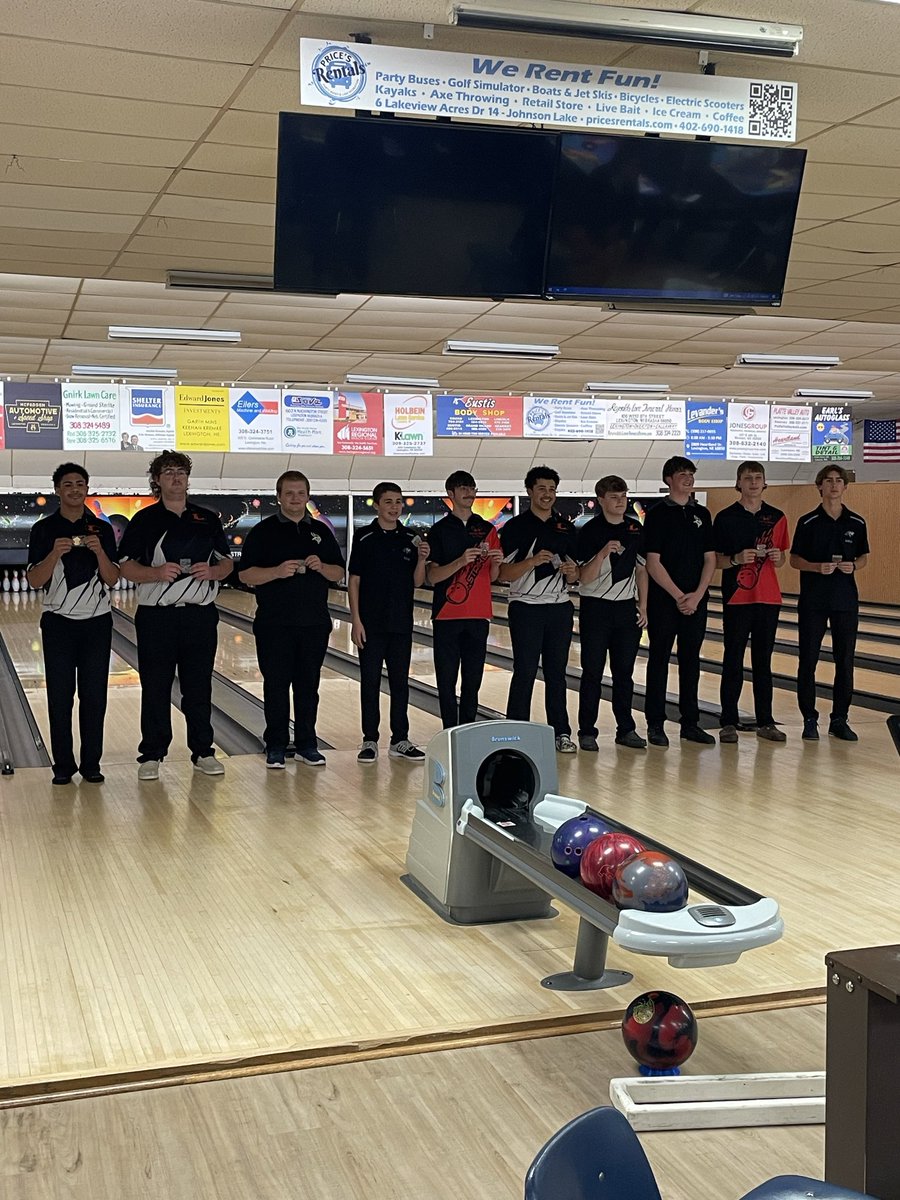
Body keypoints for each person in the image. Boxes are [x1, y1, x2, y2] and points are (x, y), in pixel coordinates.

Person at [118, 451, 233, 780]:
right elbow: (124, 565)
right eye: (168, 472)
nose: (176, 477)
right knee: (155, 687)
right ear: (157, 480)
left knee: (199, 688)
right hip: (157, 618)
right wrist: (154, 573)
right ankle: (152, 754)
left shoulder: (207, 518)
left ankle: (203, 751)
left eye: (180, 471)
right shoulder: (144, 520)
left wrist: (213, 571)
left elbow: (226, 563)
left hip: (199, 616)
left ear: (188, 477)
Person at [238, 471, 345, 768]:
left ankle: (308, 744)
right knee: (276, 685)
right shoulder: (263, 531)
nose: (295, 498)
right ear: (279, 497)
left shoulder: (322, 533)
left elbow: (339, 573)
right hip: (274, 624)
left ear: (308, 496)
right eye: (289, 493)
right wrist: (276, 571)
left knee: (308, 687)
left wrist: (321, 565)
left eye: (300, 493)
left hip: (314, 623)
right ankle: (275, 745)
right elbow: (245, 575)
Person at [26, 463, 120, 785]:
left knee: (94, 697)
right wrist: (54, 554)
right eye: (68, 485)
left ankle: (91, 764)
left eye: (80, 484)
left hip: (97, 624)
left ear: (87, 488)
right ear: (57, 490)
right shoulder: (43, 530)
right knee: (60, 698)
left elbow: (112, 579)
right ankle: (63, 767)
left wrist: (100, 553)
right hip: (58, 624)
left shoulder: (102, 529)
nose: (75, 490)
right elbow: (35, 581)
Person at [499, 466, 580, 753]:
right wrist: (531, 562)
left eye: (552, 489)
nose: (548, 494)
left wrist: (572, 572)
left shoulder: (566, 527)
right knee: (525, 670)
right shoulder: (515, 528)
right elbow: (502, 573)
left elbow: (576, 574)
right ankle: (516, 731)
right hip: (526, 608)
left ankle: (561, 732)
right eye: (542, 489)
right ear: (530, 491)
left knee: (557, 673)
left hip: (559, 608)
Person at [348, 482, 430, 763]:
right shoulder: (364, 536)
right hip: (370, 623)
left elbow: (417, 582)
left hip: (400, 624)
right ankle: (370, 739)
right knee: (369, 683)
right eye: (388, 502)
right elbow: (354, 580)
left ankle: (400, 739)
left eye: (398, 502)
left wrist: (421, 561)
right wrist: (355, 620)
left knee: (400, 683)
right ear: (377, 505)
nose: (394, 507)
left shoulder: (411, 538)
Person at [790, 464, 869, 742]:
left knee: (844, 661)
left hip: (845, 601)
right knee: (808, 660)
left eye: (839, 481)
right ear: (820, 486)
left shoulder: (856, 522)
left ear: (845, 487)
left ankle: (839, 719)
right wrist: (815, 567)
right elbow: (794, 560)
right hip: (813, 601)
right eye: (829, 480)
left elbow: (863, 557)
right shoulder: (808, 522)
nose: (834, 485)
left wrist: (854, 566)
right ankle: (809, 719)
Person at [642, 456, 717, 747]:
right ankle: (655, 724)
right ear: (668, 480)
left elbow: (710, 558)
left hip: (696, 601)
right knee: (658, 660)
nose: (688, 478)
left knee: (691, 662)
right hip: (665, 601)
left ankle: (690, 723)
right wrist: (678, 596)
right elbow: (653, 562)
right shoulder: (658, 514)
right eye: (682, 474)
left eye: (691, 473)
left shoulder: (703, 514)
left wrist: (697, 595)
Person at [713, 461, 790, 744]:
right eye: (748, 478)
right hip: (737, 597)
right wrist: (735, 559)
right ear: (739, 483)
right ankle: (728, 721)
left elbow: (782, 558)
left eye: (758, 478)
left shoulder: (778, 517)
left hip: (769, 598)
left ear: (764, 482)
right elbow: (715, 560)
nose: (754, 482)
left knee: (763, 661)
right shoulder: (725, 517)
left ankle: (766, 721)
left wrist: (777, 558)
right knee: (732, 659)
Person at [425, 470, 503, 728]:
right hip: (447, 614)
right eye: (463, 489)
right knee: (446, 681)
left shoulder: (487, 529)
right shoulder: (439, 530)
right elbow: (432, 577)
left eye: (472, 488)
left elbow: (493, 577)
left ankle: (468, 728)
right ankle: (449, 729)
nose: (469, 493)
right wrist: (460, 561)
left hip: (479, 615)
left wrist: (495, 564)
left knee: (473, 681)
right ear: (451, 494)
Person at [576, 475, 648, 752]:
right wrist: (603, 552)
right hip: (596, 608)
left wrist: (643, 605)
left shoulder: (635, 529)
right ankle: (586, 731)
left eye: (624, 496)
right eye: (615, 497)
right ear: (602, 500)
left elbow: (641, 570)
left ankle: (626, 729)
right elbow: (584, 578)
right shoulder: (589, 531)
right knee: (592, 672)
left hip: (625, 608)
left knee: (624, 674)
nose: (621, 501)